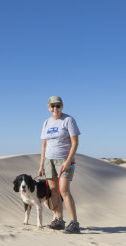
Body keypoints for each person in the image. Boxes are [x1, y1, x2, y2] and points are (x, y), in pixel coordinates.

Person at [38, 96, 81, 234]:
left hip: (64, 160)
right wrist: (41, 165)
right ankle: (59, 220)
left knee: (64, 190)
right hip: (49, 160)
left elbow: (75, 142)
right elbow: (44, 145)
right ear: (48, 107)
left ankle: (74, 222)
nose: (55, 109)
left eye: (58, 106)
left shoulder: (68, 120)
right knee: (54, 190)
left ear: (62, 106)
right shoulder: (46, 122)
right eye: (52, 106)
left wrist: (69, 161)